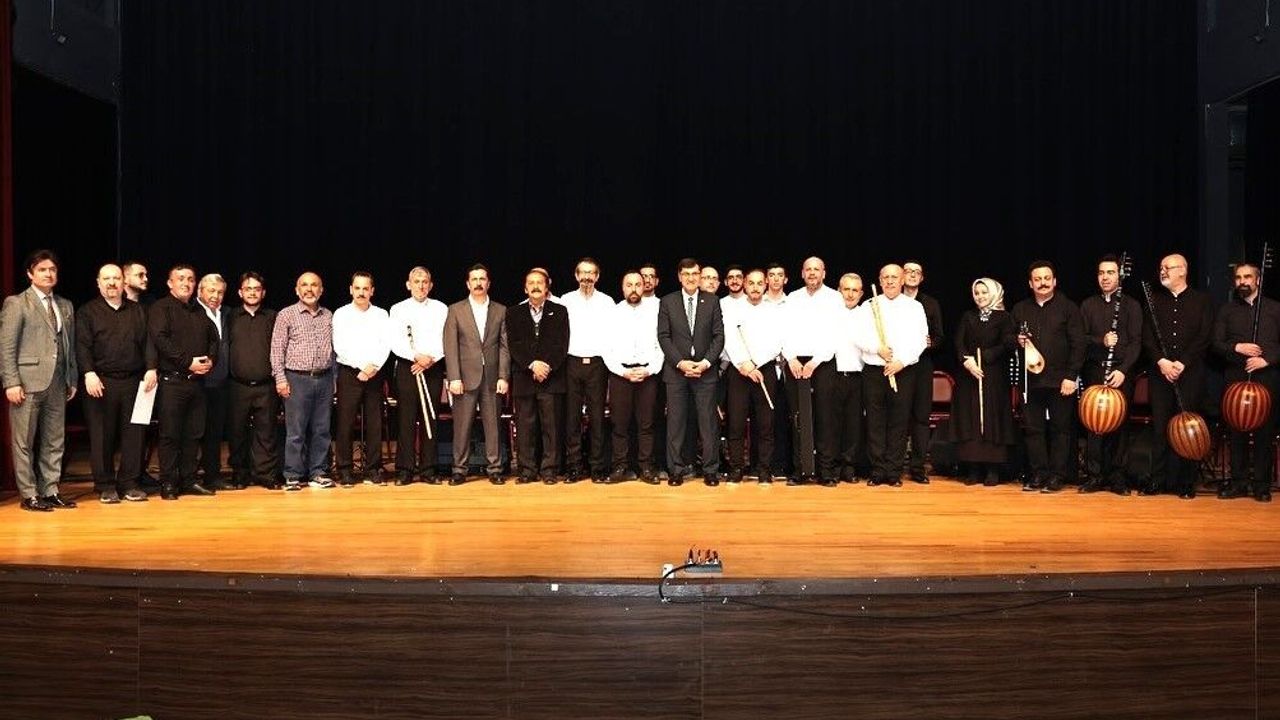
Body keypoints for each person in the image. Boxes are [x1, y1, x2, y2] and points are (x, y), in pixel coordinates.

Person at [0, 250, 79, 511]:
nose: (48, 274)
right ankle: (29, 494)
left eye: (52, 269)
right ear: (30, 274)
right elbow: (6, 346)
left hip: (57, 381)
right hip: (27, 381)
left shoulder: (65, 305)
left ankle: (51, 490)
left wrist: (72, 377)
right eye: (42, 269)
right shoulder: (17, 303)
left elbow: (69, 346)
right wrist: (11, 381)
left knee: (55, 440)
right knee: (24, 440)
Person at [76, 263, 157, 503]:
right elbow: (82, 345)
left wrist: (151, 368)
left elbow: (149, 342)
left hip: (134, 382)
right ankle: (105, 486)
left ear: (123, 282)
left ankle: (130, 483)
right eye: (106, 279)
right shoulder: (87, 312)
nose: (112, 283)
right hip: (100, 382)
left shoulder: (138, 311)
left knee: (135, 434)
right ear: (98, 283)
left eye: (116, 278)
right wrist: (89, 373)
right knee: (102, 436)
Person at [1142, 254, 1215, 499]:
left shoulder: (1202, 301)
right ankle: (1157, 479)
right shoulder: (1153, 300)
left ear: (1182, 270)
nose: (1162, 271)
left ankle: (1185, 482)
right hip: (1160, 373)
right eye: (1161, 267)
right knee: (1160, 427)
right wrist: (1162, 362)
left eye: (1168, 267)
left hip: (1190, 373)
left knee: (1187, 428)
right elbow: (1147, 336)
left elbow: (1204, 336)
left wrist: (1182, 362)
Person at [1012, 260, 1085, 493]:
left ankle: (1057, 476)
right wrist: (1017, 340)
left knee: (1060, 430)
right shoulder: (1020, 309)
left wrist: (1071, 376)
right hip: (1030, 382)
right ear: (1030, 283)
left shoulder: (1068, 308)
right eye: (1037, 279)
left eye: (1046, 278)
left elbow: (1079, 345)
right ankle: (1038, 474)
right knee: (1033, 430)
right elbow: (1008, 340)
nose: (1042, 283)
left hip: (1060, 381)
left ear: (1054, 281)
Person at [149, 264, 220, 499]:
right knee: (170, 435)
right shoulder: (161, 308)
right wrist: (187, 362)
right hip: (172, 382)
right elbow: (160, 339)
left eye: (190, 279)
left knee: (193, 434)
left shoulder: (199, 310)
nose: (186, 283)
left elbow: (214, 338)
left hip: (197, 383)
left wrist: (211, 360)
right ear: (170, 283)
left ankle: (189, 480)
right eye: (180, 279)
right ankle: (168, 483)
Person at [854, 264, 928, 487]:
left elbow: (920, 340)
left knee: (899, 421)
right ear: (880, 280)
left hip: (903, 370)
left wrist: (900, 362)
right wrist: (877, 349)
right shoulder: (869, 305)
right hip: (874, 370)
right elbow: (858, 336)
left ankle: (894, 471)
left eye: (894, 277)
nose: (889, 281)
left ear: (902, 279)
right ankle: (878, 470)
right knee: (875, 421)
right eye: (885, 277)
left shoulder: (914, 307)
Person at [656, 258, 725, 485]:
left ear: (699, 276)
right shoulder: (668, 301)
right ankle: (676, 470)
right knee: (675, 424)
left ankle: (710, 470)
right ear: (679, 277)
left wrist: (705, 363)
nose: (691, 278)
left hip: (705, 372)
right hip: (677, 373)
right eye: (686, 274)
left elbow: (718, 336)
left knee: (708, 424)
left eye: (695, 274)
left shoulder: (712, 301)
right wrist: (680, 363)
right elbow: (663, 337)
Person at [1212, 262, 1277, 502]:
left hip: (1266, 377)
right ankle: (1238, 482)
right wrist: (1237, 347)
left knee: (1264, 433)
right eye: (1238, 277)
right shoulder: (1226, 310)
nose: (1243, 281)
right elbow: (1215, 343)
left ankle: (1261, 485)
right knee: (1236, 431)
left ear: (1258, 280)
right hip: (1235, 377)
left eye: (1247, 277)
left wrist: (1266, 360)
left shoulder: (1275, 308)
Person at [1078, 255, 1142, 494]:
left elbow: (1136, 342)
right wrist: (1101, 340)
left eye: (1110, 272)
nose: (1105, 277)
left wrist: (1123, 370)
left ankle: (1118, 476)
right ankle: (1094, 475)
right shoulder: (1087, 305)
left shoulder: (1131, 306)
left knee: (1120, 424)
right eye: (1101, 273)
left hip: (1121, 372)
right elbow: (1080, 339)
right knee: (1094, 423)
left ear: (1119, 276)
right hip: (1095, 369)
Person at [443, 264, 510, 484]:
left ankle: (495, 469)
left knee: (493, 426)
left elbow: (504, 347)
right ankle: (459, 469)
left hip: (492, 377)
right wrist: (453, 377)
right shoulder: (455, 310)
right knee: (462, 427)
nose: (478, 283)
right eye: (474, 279)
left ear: (488, 283)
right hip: (464, 378)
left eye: (482, 279)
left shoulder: (500, 310)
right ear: (468, 284)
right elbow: (450, 346)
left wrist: (503, 376)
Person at [271, 271, 336, 491]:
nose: (309, 289)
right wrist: (280, 379)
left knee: (322, 430)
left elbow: (333, 350)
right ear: (297, 290)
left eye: (314, 285)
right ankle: (292, 474)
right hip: (296, 379)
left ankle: (318, 472)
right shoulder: (286, 314)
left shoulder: (328, 315)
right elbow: (277, 349)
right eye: (304, 285)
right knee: (296, 431)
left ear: (321, 290)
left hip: (324, 378)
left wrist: (334, 379)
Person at [781, 256, 843, 485]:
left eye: (817, 269)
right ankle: (800, 470)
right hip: (796, 364)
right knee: (798, 419)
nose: (812, 273)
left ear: (824, 273)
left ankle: (826, 472)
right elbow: (783, 331)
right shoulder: (793, 298)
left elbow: (836, 334)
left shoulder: (834, 298)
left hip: (822, 363)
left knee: (825, 418)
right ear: (802, 273)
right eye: (808, 269)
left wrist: (815, 362)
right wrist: (791, 358)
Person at [950, 278, 1018, 486]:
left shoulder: (1005, 317)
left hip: (994, 375)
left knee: (992, 418)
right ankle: (973, 469)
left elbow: (1008, 343)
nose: (980, 296)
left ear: (994, 293)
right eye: (977, 293)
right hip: (969, 374)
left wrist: (988, 355)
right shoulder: (968, 316)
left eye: (984, 292)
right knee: (970, 418)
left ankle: (992, 470)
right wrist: (966, 360)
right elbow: (959, 342)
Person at [507, 269, 569, 483]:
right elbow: (514, 345)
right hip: (525, 377)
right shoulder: (514, 313)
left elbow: (562, 344)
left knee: (551, 428)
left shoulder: (559, 311)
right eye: (531, 283)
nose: (535, 286)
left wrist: (546, 366)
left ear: (546, 287)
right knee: (525, 428)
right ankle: (527, 470)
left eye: (539, 283)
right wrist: (532, 365)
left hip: (551, 378)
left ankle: (550, 470)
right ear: (525, 288)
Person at [387, 266, 448, 485]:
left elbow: (445, 338)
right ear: (408, 284)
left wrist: (430, 359)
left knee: (430, 417)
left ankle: (429, 469)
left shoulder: (441, 308)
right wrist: (416, 357)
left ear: (430, 285)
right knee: (406, 418)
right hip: (408, 366)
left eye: (425, 282)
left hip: (433, 366)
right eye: (416, 281)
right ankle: (405, 470)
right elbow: (395, 340)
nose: (421, 286)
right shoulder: (397, 309)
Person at [723, 269, 784, 483]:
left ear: (765, 284)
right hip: (739, 370)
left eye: (759, 283)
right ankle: (736, 468)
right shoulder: (733, 310)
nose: (755, 287)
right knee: (736, 423)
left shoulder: (774, 311)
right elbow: (729, 339)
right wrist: (745, 364)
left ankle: (764, 469)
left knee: (766, 424)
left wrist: (757, 362)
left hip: (764, 369)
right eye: (751, 283)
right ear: (745, 285)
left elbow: (778, 342)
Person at [603, 270, 664, 483]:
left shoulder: (655, 313)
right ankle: (620, 467)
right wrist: (623, 372)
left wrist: (650, 369)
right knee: (619, 424)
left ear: (644, 286)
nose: (634, 289)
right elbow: (606, 348)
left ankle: (646, 467)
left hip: (647, 374)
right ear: (622, 288)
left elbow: (661, 346)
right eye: (629, 285)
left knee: (646, 424)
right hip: (621, 375)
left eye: (638, 284)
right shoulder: (614, 313)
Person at [332, 271, 391, 486]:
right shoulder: (341, 314)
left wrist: (373, 366)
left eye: (365, 288)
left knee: (375, 423)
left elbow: (386, 343)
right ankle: (345, 469)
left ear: (372, 291)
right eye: (357, 288)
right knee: (345, 423)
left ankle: (373, 468)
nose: (361, 292)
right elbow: (339, 344)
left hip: (374, 372)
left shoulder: (381, 315)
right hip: (350, 372)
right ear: (351, 289)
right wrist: (361, 367)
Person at [559, 258, 614, 483]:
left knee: (597, 417)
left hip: (598, 364)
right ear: (576, 275)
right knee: (571, 417)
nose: (587, 277)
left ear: (597, 276)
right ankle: (574, 466)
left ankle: (597, 467)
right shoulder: (565, 300)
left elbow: (612, 334)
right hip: (571, 362)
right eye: (583, 273)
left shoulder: (607, 302)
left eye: (591, 273)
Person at [226, 272, 279, 488]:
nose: (252, 293)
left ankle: (265, 474)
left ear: (263, 293)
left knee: (266, 433)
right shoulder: (230, 316)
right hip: (237, 385)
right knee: (237, 433)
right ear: (240, 292)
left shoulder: (273, 317)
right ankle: (240, 473)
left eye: (256, 289)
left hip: (266, 385)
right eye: (248, 289)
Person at [902, 261, 944, 484]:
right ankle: (894, 465)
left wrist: (930, 343)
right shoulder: (890, 301)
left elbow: (939, 337)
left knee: (920, 417)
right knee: (898, 418)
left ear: (922, 278)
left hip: (921, 366)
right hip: (898, 366)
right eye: (908, 271)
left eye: (916, 272)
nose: (912, 275)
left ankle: (918, 468)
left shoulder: (930, 303)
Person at [195, 273, 232, 489]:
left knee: (214, 432)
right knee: (193, 432)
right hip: (197, 381)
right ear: (200, 291)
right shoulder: (191, 312)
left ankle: (212, 475)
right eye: (211, 291)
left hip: (220, 382)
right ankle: (186, 477)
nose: (215, 296)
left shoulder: (227, 313)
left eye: (220, 292)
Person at [830, 273, 866, 483]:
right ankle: (833, 467)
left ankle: (849, 466)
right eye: (846, 289)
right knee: (832, 424)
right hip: (833, 375)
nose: (850, 294)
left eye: (855, 290)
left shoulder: (867, 315)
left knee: (854, 424)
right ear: (839, 291)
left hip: (857, 377)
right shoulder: (830, 314)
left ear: (861, 294)